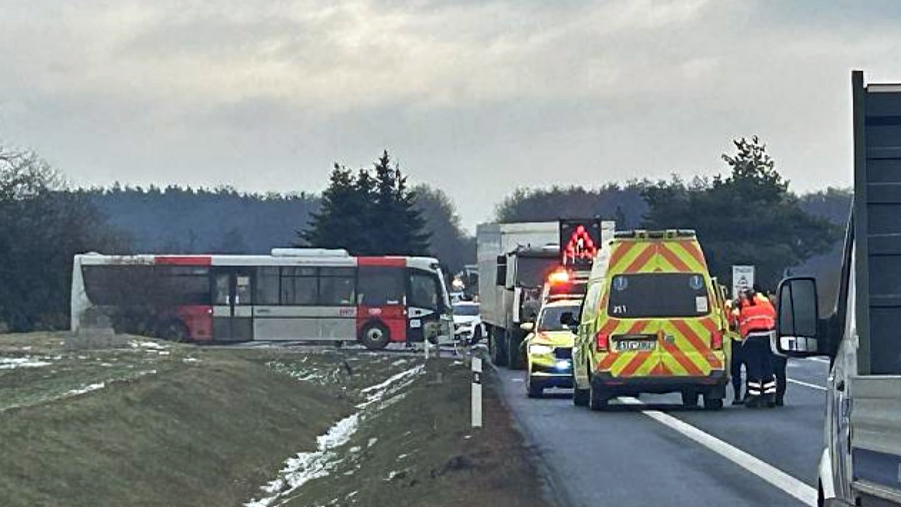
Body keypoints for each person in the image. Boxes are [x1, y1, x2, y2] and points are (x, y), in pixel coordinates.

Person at [737, 287, 777, 408]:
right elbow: (773, 319)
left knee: (754, 368)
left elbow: (742, 328)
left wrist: (743, 342)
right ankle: (769, 396)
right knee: (767, 366)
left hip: (752, 339)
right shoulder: (767, 305)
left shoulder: (745, 310)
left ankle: (754, 396)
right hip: (768, 338)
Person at [726, 297, 746, 405]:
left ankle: (737, 396)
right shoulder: (746, 312)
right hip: (746, 343)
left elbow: (731, 326)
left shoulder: (732, 313)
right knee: (751, 371)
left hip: (735, 344)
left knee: (736, 372)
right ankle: (747, 395)